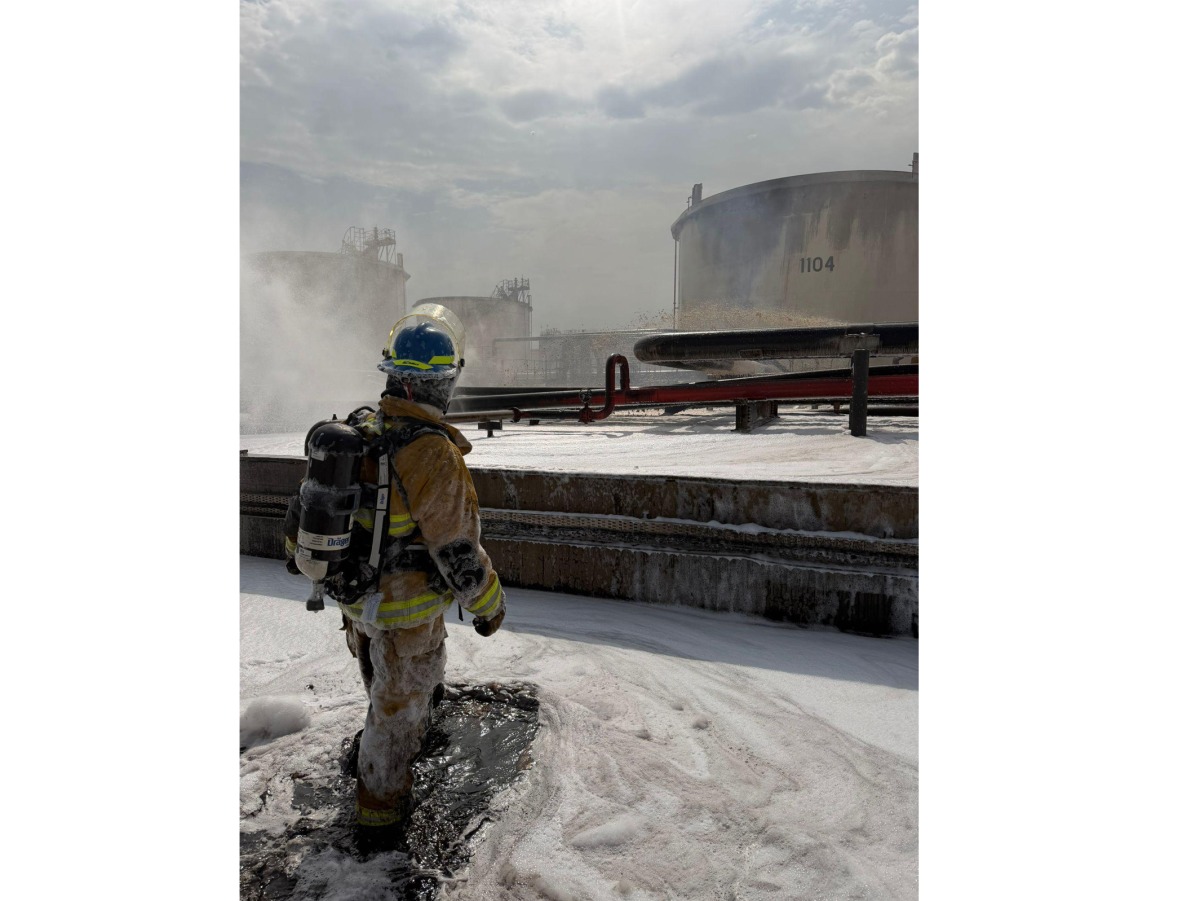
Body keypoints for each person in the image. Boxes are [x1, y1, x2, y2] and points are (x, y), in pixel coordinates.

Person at [285, 306, 506, 848]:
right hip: (407, 616)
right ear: (439, 384)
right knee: (396, 715)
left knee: (384, 694)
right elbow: (458, 553)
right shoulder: (432, 454)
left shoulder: (364, 432)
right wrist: (488, 606)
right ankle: (379, 828)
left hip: (357, 602)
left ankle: (379, 764)